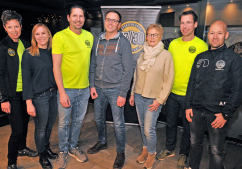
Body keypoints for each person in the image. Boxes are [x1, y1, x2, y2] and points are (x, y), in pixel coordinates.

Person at [185, 20, 242, 169]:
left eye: (219, 33)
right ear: (208, 35)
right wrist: (187, 106)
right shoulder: (200, 57)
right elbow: (191, 84)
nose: (215, 36)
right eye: (212, 33)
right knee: (194, 144)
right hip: (196, 111)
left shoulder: (234, 59)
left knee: (216, 151)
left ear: (226, 35)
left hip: (218, 114)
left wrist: (226, 114)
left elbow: (238, 90)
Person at [156, 10, 208, 168]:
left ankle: (184, 154)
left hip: (190, 97)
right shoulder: (173, 44)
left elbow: (203, 75)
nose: (185, 26)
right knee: (170, 123)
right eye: (182, 22)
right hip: (171, 93)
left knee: (187, 128)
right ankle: (169, 148)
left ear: (195, 24)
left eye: (188, 22)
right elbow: (167, 67)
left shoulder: (201, 45)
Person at [0, 10, 38, 169]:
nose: (14, 30)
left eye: (16, 26)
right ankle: (11, 162)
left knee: (25, 124)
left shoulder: (26, 44)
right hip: (11, 96)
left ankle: (22, 148)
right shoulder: (1, 46)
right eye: (10, 27)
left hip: (25, 94)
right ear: (5, 27)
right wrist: (3, 99)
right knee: (17, 130)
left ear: (21, 26)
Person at [88, 10, 133, 169]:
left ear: (119, 25)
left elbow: (128, 70)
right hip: (98, 89)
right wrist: (92, 85)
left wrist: (123, 93)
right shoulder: (98, 40)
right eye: (108, 19)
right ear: (105, 21)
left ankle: (120, 152)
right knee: (98, 119)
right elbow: (93, 64)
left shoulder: (124, 42)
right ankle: (102, 141)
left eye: (114, 21)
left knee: (119, 123)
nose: (111, 23)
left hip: (115, 90)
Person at [52, 5, 93, 169]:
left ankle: (73, 147)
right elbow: (56, 67)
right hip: (66, 89)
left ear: (84, 18)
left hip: (84, 89)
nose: (78, 19)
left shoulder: (89, 36)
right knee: (63, 123)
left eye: (81, 16)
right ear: (68, 18)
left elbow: (90, 64)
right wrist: (62, 92)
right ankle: (62, 151)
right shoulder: (59, 37)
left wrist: (90, 86)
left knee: (77, 121)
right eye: (75, 16)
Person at [129, 23, 174, 169]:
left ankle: (152, 154)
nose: (152, 37)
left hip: (153, 100)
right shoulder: (142, 54)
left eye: (155, 35)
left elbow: (169, 80)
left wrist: (159, 100)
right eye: (149, 34)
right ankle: (145, 149)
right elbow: (136, 76)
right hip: (138, 95)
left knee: (149, 129)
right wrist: (131, 94)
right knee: (142, 126)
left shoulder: (166, 55)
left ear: (160, 36)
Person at [22, 23, 58, 169]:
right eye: (37, 34)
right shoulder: (29, 53)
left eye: (44, 33)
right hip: (39, 97)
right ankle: (42, 154)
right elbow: (26, 79)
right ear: (33, 36)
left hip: (53, 94)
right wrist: (28, 102)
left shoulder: (53, 51)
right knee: (41, 128)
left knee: (50, 125)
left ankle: (46, 147)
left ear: (49, 35)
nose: (41, 36)